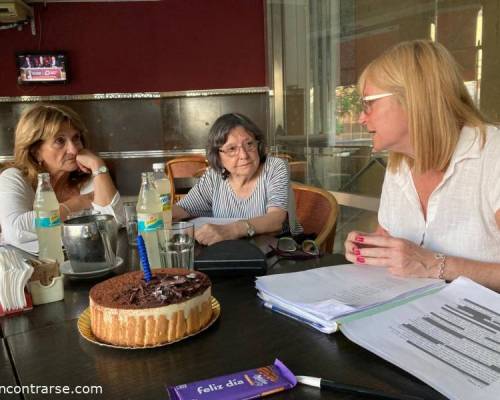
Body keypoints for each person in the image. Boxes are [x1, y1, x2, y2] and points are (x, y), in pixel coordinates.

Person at [344, 39, 500, 291]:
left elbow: (422, 263)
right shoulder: (398, 165)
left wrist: (434, 265)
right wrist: (373, 249)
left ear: (413, 99)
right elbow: (389, 240)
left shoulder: (493, 156)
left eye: (368, 103)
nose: (361, 117)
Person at [0, 103, 125, 246]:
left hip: (81, 263)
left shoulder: (88, 176)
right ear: (36, 151)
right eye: (60, 141)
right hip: (29, 266)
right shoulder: (14, 177)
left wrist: (98, 165)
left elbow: (115, 222)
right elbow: (15, 230)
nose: (73, 149)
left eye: (76, 138)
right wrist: (78, 203)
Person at [173, 113, 302, 246]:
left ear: (258, 145)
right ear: (217, 155)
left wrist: (232, 230)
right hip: (231, 252)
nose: (244, 155)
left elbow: (276, 220)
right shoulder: (214, 176)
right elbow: (182, 209)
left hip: (278, 251)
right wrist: (156, 216)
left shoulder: (274, 167)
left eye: (249, 144)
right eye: (232, 149)